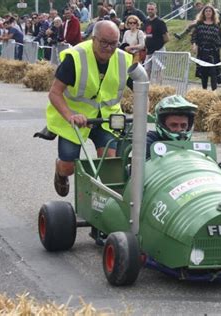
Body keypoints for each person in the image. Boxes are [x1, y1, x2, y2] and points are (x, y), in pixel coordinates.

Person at [46, 20, 133, 197]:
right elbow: (55, 93)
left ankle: (105, 201)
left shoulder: (124, 59)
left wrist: (143, 111)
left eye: (113, 44)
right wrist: (71, 115)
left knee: (110, 162)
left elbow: (142, 89)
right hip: (75, 119)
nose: (109, 48)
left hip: (107, 119)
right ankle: (60, 170)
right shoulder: (75, 57)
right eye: (104, 43)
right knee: (68, 166)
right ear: (94, 38)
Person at [146, 95, 198, 159]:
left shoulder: (192, 147)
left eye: (183, 125)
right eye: (174, 125)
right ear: (162, 124)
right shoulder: (147, 144)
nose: (179, 129)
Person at [191, 5, 221, 91]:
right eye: (206, 11)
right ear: (203, 13)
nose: (208, 13)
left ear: (213, 13)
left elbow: (220, 37)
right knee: (204, 73)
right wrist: (194, 44)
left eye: (210, 11)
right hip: (203, 51)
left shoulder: (216, 24)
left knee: (213, 72)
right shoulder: (199, 24)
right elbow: (194, 36)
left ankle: (214, 92)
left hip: (214, 51)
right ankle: (204, 90)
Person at [143, 2, 169, 76]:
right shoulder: (146, 21)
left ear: (156, 10)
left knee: (158, 71)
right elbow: (145, 34)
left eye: (152, 9)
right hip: (149, 51)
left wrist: (158, 45)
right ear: (146, 10)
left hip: (159, 50)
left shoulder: (160, 22)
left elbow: (167, 38)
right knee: (146, 71)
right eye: (149, 9)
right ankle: (147, 87)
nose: (150, 11)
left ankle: (158, 87)